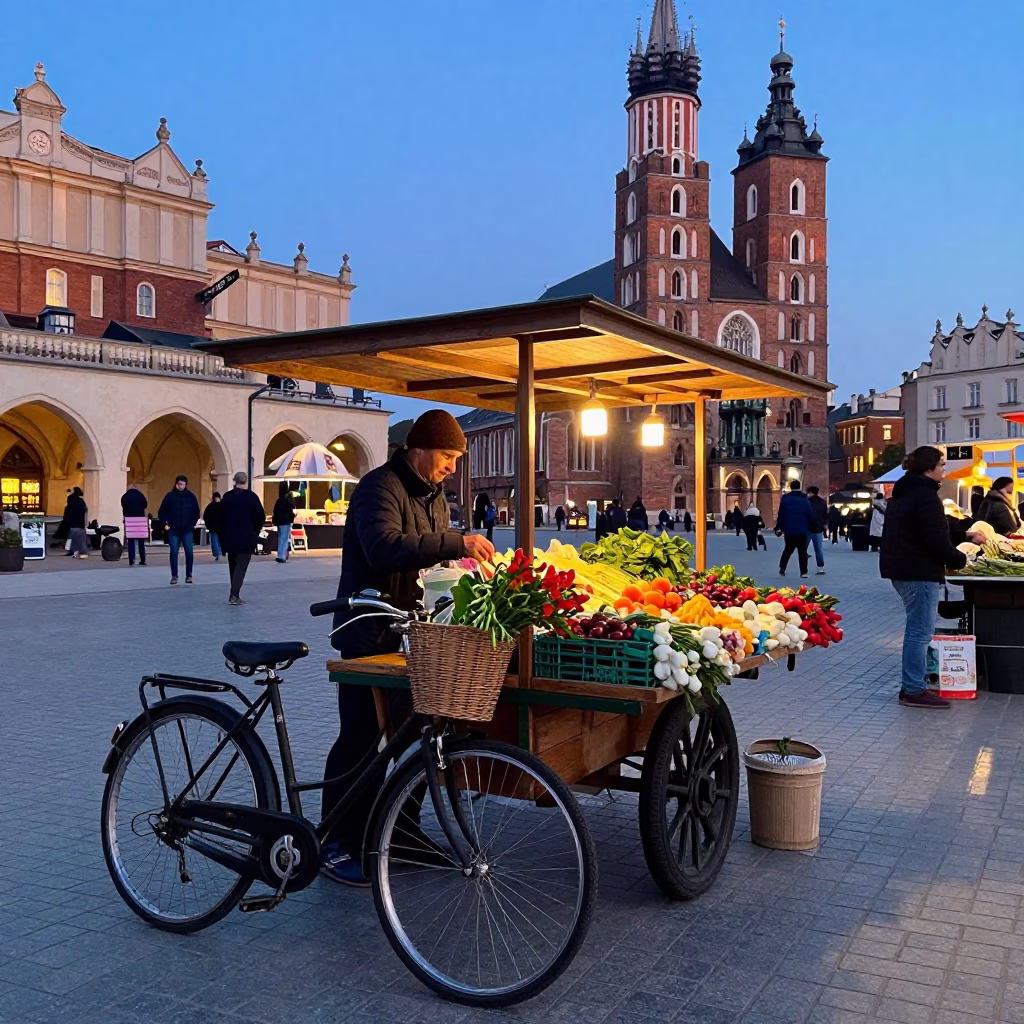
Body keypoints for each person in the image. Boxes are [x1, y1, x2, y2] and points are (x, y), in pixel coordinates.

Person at [321, 410, 496, 885]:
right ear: (418, 449)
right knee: (361, 740)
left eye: (457, 458)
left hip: (411, 635)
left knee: (419, 733)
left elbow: (432, 562)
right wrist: (454, 543)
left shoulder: (434, 495)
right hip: (367, 633)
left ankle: (401, 830)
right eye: (446, 456)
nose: (452, 467)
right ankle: (335, 842)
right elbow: (385, 547)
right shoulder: (379, 488)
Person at [881, 445, 986, 709]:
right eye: (941, 465)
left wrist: (964, 535)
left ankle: (913, 687)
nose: (944, 469)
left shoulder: (907, 492)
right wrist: (960, 559)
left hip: (903, 569)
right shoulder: (925, 496)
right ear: (929, 468)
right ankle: (914, 690)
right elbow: (935, 538)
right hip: (918, 571)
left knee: (916, 630)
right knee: (919, 632)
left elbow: (935, 526)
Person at [219, 471, 266, 605]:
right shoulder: (251, 497)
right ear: (245, 482)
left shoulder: (227, 497)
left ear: (234, 480)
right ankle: (234, 594)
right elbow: (260, 517)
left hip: (230, 536)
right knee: (241, 566)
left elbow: (221, 517)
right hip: (246, 536)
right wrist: (254, 531)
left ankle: (235, 592)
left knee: (233, 565)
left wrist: (224, 532)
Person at [158, 475, 200, 585]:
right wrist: (165, 523)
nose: (180, 486)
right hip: (174, 530)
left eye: (182, 484)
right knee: (174, 553)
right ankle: (174, 575)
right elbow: (162, 511)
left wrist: (192, 524)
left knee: (189, 553)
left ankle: (189, 575)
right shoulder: (170, 496)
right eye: (178, 483)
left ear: (186, 484)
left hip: (187, 530)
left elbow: (196, 512)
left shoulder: (191, 497)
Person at [774, 480, 815, 578]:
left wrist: (780, 527)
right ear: (799, 486)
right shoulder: (805, 499)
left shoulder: (785, 498)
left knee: (787, 550)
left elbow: (781, 514)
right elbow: (810, 514)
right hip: (802, 529)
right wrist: (810, 524)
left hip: (789, 530)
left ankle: (782, 568)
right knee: (802, 551)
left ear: (791, 487)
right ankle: (804, 572)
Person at [120, 484, 148, 566]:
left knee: (131, 541)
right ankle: (142, 560)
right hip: (140, 520)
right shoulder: (140, 495)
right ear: (136, 488)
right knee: (141, 541)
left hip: (129, 520)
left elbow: (123, 507)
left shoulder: (125, 496)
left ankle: (131, 560)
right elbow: (145, 505)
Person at [272, 483, 296, 562]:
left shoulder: (279, 500)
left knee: (280, 538)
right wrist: (293, 516)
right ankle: (282, 556)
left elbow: (275, 511)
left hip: (279, 522)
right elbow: (291, 509)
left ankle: (280, 554)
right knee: (284, 539)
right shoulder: (287, 500)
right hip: (286, 521)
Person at [806, 485, 828, 574]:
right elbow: (825, 514)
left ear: (810, 492)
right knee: (818, 550)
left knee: (803, 549)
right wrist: (825, 525)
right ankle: (821, 567)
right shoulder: (822, 502)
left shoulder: (807, 501)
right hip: (819, 528)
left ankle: (804, 568)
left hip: (808, 528)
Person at [63, 487, 88, 558]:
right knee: (80, 539)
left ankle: (71, 550)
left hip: (72, 523)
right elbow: (85, 510)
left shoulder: (70, 500)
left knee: (71, 538)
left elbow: (67, 512)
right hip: (80, 523)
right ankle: (82, 551)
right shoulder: (81, 501)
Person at [203, 492, 224, 562]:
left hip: (212, 527)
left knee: (214, 540)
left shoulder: (210, 506)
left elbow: (205, 516)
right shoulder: (222, 506)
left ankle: (216, 553)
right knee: (220, 540)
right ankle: (220, 551)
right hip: (221, 526)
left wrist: (208, 525)